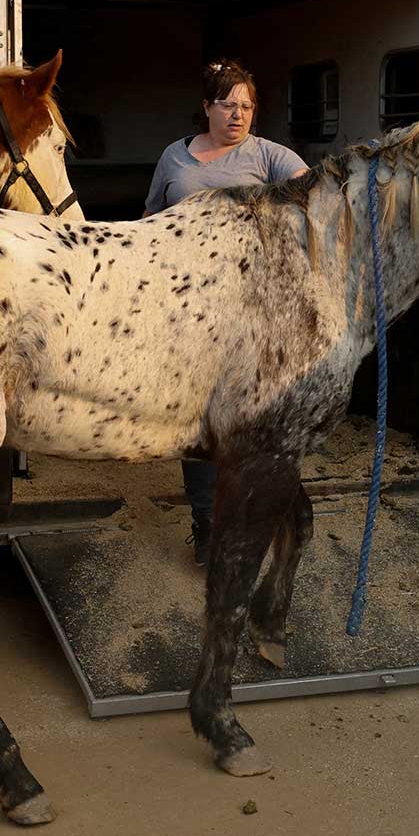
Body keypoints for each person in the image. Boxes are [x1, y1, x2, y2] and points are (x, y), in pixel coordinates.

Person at [143, 59, 308, 565]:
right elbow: (150, 219)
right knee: (198, 423)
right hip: (185, 308)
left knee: (250, 419)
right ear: (207, 108)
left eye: (246, 106)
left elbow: (316, 191)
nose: (237, 115)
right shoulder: (176, 157)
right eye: (227, 104)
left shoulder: (268, 155)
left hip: (250, 310)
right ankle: (206, 524)